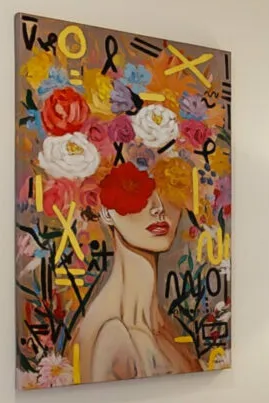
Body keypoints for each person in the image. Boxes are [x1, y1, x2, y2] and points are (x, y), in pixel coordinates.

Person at [80, 161, 201, 380]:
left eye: (168, 191)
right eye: (139, 194)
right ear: (106, 213)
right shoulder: (114, 335)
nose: (158, 207)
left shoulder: (162, 326)